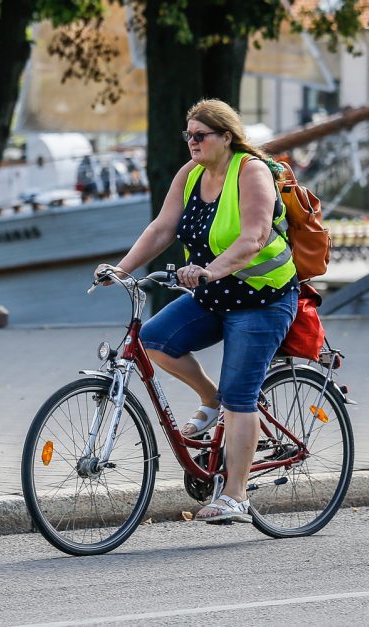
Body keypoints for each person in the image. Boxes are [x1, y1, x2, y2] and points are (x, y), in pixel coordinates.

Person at [95, 99, 298, 524]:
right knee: (153, 340)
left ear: (226, 136)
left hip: (262, 299)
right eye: (187, 135)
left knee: (240, 398)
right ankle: (210, 399)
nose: (192, 142)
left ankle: (237, 496)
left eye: (200, 135)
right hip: (215, 295)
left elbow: (255, 238)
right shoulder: (190, 175)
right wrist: (121, 269)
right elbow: (161, 228)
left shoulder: (251, 171)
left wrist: (209, 271)